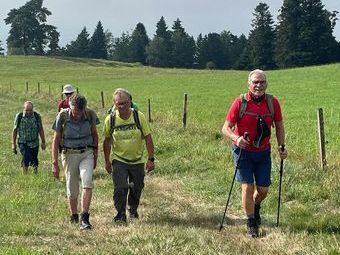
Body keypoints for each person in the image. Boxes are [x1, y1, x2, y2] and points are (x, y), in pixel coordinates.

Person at [222, 69, 287, 238]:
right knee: (248, 187)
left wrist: (282, 147)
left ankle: (255, 206)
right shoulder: (240, 102)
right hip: (242, 151)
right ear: (249, 84)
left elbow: (279, 127)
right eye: (255, 82)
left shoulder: (273, 103)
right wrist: (236, 139)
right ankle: (251, 222)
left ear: (266, 84)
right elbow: (226, 128)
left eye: (262, 82)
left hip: (263, 151)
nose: (258, 85)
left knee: (263, 190)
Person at [103, 88, 155, 224]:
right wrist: (107, 162)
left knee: (137, 187)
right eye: (119, 104)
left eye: (125, 103)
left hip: (137, 160)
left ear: (130, 102)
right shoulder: (111, 119)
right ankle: (120, 215)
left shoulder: (139, 116)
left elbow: (148, 138)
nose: (122, 106)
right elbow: (107, 141)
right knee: (120, 187)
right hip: (119, 160)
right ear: (114, 104)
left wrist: (151, 159)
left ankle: (132, 209)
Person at [52, 93, 99, 230]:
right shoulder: (63, 116)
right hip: (69, 153)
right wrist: (54, 163)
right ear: (70, 107)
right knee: (72, 188)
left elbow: (95, 135)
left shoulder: (90, 114)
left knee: (87, 182)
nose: (77, 115)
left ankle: (84, 217)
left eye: (80, 113)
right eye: (75, 112)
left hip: (86, 152)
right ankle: (74, 215)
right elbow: (56, 141)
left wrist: (95, 155)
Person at [12, 101, 46, 174]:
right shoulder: (19, 116)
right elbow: (15, 130)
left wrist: (43, 142)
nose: (28, 112)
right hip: (23, 142)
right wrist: (13, 144)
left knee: (34, 159)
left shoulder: (37, 116)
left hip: (34, 142)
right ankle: (25, 175)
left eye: (30, 110)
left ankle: (35, 174)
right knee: (26, 156)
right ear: (23, 109)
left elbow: (40, 129)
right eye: (27, 110)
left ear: (33, 109)